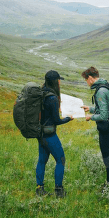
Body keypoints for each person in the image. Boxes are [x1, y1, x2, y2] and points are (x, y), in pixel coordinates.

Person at [36, 70, 74, 198]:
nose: (59, 82)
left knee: (42, 161)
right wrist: (68, 119)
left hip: (40, 133)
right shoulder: (52, 97)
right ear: (55, 81)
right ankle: (59, 190)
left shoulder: (42, 92)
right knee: (60, 160)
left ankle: (39, 189)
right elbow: (56, 120)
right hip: (49, 134)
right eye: (59, 80)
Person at [81, 66, 109, 185]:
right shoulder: (105, 85)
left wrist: (91, 117)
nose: (86, 83)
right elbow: (104, 108)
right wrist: (90, 109)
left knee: (106, 155)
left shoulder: (100, 91)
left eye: (86, 80)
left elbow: (104, 115)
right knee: (108, 154)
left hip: (106, 128)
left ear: (90, 78)